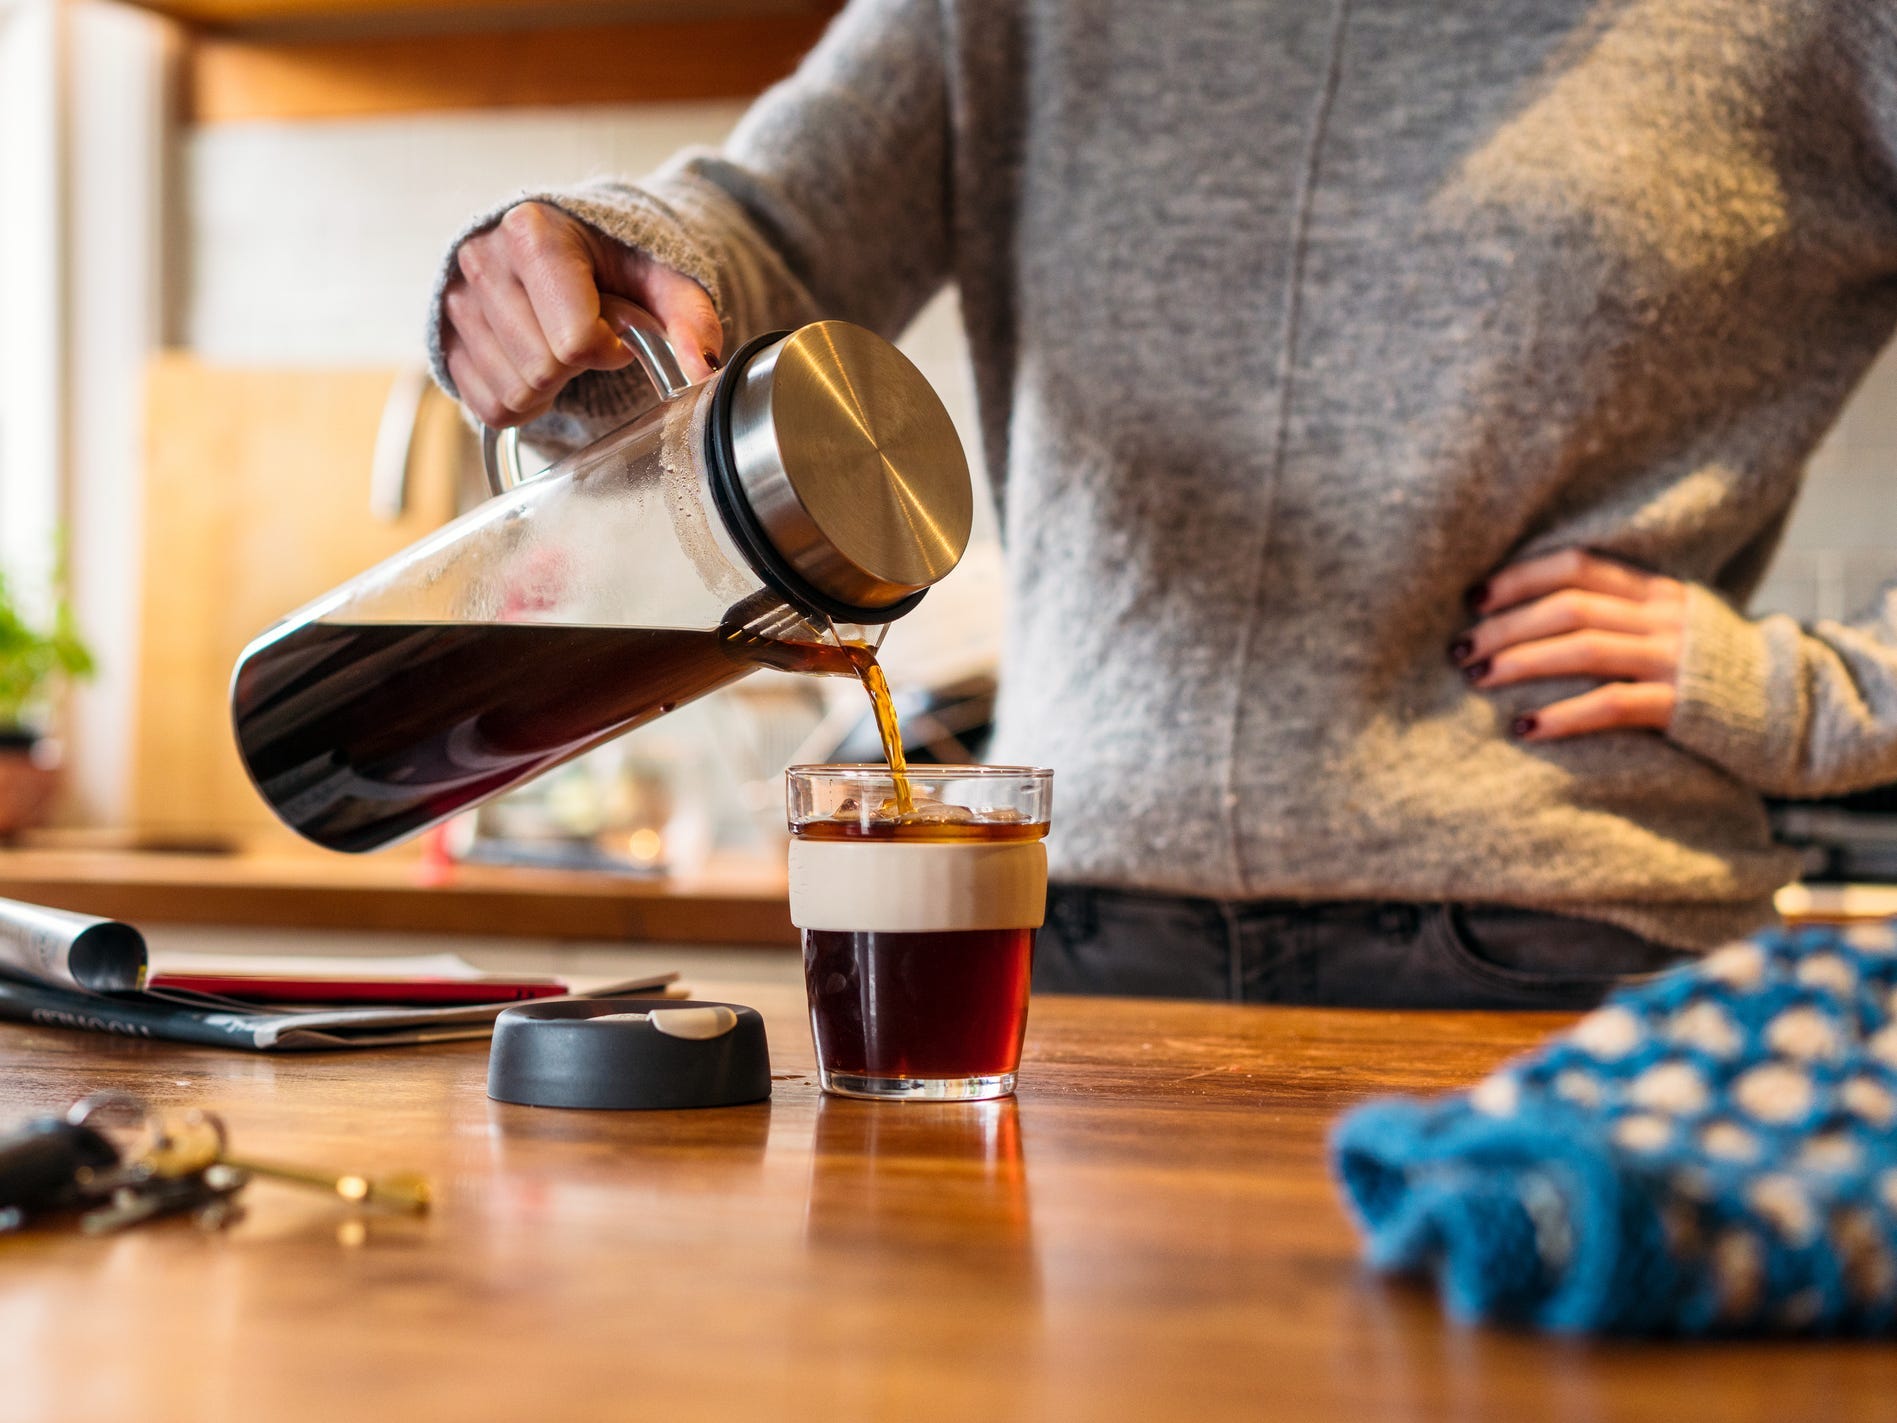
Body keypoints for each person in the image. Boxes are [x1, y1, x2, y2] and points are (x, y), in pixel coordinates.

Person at [429, 1, 1897, 1008]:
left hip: (1561, 951)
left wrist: (1800, 696)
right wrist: (588, 275)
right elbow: (753, 234)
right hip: (1065, 939)